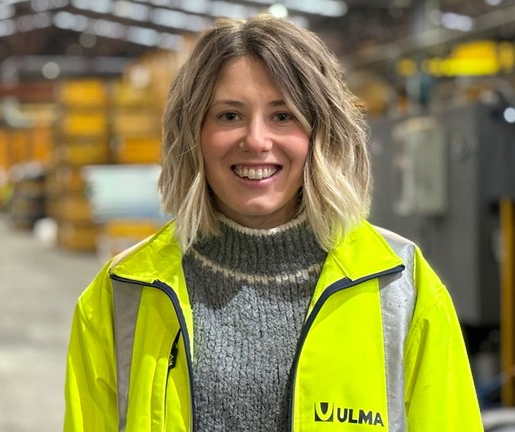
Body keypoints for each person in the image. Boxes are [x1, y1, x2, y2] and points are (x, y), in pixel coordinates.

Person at [64, 14, 483, 431]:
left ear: (321, 132)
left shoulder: (401, 288)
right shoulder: (123, 294)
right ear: (192, 134)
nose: (257, 140)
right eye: (229, 116)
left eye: (283, 116)